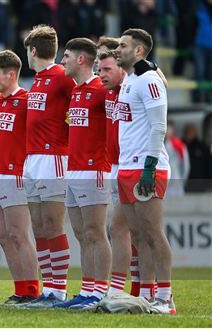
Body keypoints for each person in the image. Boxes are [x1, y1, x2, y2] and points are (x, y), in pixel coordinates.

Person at [116, 28, 175, 314]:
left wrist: (150, 168)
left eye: (123, 46)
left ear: (139, 51)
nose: (118, 50)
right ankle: (151, 294)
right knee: (138, 235)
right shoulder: (131, 78)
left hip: (146, 166)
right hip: (127, 166)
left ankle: (166, 297)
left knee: (153, 233)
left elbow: (159, 126)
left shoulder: (149, 80)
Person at [20, 25, 75, 308]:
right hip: (33, 159)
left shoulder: (62, 78)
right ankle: (48, 289)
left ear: (32, 51)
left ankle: (59, 289)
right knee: (39, 226)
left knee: (52, 224)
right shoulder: (38, 80)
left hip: (54, 157)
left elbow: (81, 105)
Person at [57, 38, 111, 310]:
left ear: (81, 59)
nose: (62, 61)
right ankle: (87, 290)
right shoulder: (77, 92)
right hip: (73, 169)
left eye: (66, 56)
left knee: (95, 232)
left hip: (94, 170)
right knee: (81, 232)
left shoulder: (102, 89)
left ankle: (100, 292)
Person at [0, 50, 40, 305]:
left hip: (15, 173)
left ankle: (31, 290)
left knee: (18, 234)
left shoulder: (27, 101)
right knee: (3, 236)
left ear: (11, 74)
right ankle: (20, 290)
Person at [97, 49, 141, 297]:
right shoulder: (108, 94)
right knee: (131, 230)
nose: (101, 74)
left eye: (106, 69)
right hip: (114, 167)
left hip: (133, 165)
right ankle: (139, 288)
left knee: (126, 228)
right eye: (99, 69)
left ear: (122, 68)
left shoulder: (136, 87)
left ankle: (122, 289)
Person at [183, 123, 212, 192]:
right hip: (184, 183)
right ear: (185, 132)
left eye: (192, 131)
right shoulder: (181, 146)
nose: (190, 133)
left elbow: (209, 165)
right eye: (188, 131)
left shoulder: (202, 147)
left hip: (200, 183)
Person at [165, 120, 190, 197]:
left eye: (168, 129)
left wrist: (181, 181)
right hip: (162, 183)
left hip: (176, 182)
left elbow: (186, 165)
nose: (166, 131)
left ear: (172, 130)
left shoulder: (178, 145)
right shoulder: (157, 144)